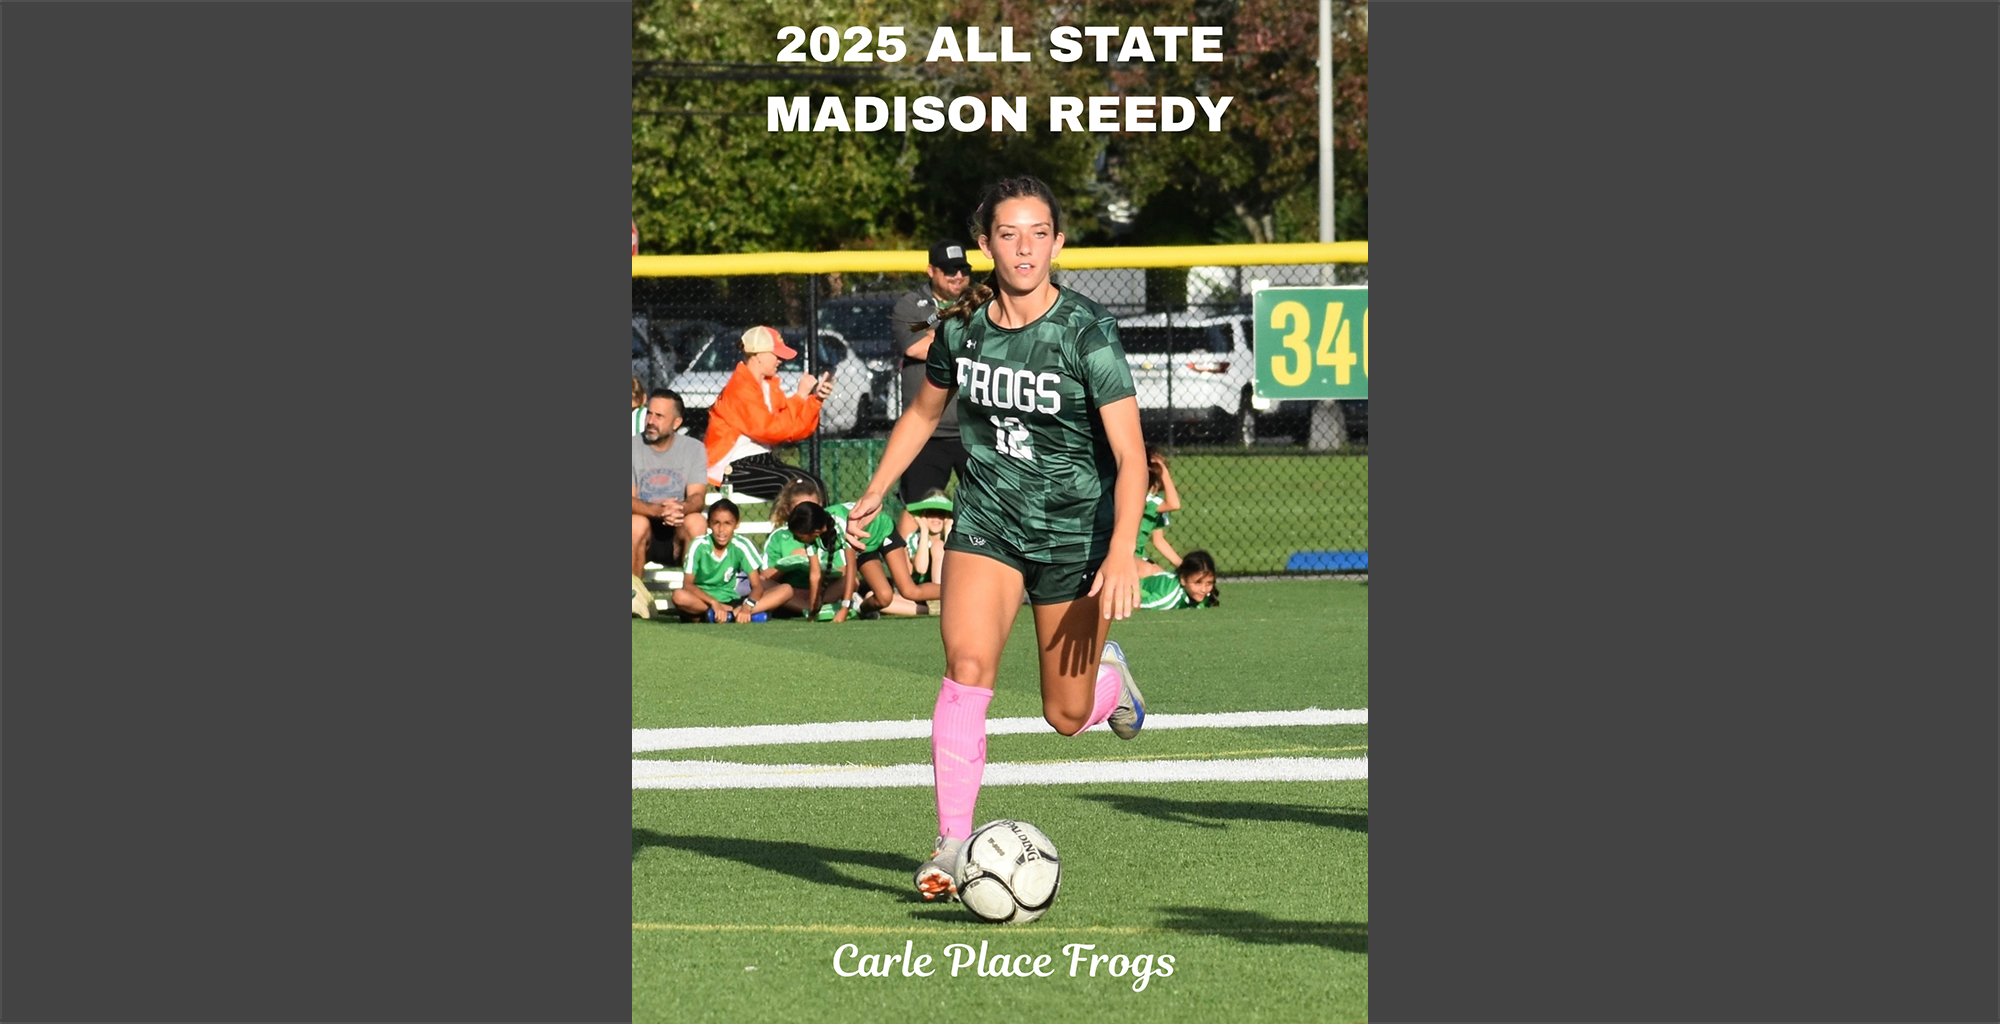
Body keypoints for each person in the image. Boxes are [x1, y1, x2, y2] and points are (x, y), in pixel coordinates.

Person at [841, 176, 1150, 902]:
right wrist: (879, 487)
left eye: (1039, 232)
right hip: (987, 523)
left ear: (1058, 242)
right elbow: (922, 414)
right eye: (1008, 233)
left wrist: (1122, 550)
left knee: (1066, 717)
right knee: (968, 663)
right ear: (985, 244)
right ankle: (952, 844)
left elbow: (1132, 457)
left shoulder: (1087, 333)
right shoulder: (961, 330)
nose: (1024, 247)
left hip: (1075, 539)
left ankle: (1109, 678)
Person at [888, 241, 975, 535]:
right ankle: (908, 579)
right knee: (917, 513)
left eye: (963, 269)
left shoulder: (980, 304)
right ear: (931, 271)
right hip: (926, 434)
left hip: (972, 430)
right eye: (950, 271)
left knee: (987, 507)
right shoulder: (912, 304)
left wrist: (935, 336)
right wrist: (967, 345)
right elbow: (915, 348)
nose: (958, 276)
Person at [702, 325, 834, 500]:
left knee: (814, 485)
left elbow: (793, 429)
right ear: (757, 355)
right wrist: (800, 396)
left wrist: (816, 400)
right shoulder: (740, 388)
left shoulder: (768, 386)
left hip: (762, 460)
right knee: (792, 487)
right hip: (731, 466)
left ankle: (821, 527)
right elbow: (769, 430)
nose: (780, 360)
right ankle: (800, 527)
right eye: (776, 355)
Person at [632, 388, 708, 574]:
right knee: (636, 524)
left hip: (677, 531)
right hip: (643, 532)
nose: (650, 421)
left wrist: (679, 509)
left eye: (659, 416)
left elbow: (697, 497)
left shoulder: (694, 448)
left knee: (697, 522)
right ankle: (633, 599)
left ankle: (691, 599)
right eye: (649, 413)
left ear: (676, 423)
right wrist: (660, 511)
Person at [671, 499, 770, 623]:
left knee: (785, 590)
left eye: (727, 523)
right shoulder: (698, 545)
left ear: (737, 524)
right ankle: (727, 613)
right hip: (702, 600)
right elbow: (688, 585)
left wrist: (747, 607)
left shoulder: (741, 545)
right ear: (708, 524)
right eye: (716, 523)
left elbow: (757, 586)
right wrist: (714, 603)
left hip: (731, 599)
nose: (721, 529)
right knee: (679, 596)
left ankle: (726, 615)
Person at [760, 500, 849, 622]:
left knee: (850, 581)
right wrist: (788, 563)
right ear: (788, 510)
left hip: (823, 593)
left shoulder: (830, 533)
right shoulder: (779, 536)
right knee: (760, 582)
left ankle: (816, 607)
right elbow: (765, 576)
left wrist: (822, 567)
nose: (805, 516)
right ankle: (814, 609)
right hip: (790, 593)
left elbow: (843, 570)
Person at [1135, 446, 1183, 577]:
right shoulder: (1142, 499)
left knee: (1162, 576)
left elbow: (1159, 541)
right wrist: (1164, 473)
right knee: (1156, 575)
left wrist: (1183, 565)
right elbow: (1175, 504)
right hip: (1125, 559)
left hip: (1137, 558)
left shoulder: (1156, 503)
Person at [1138, 550, 1220, 610]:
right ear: (1183, 580)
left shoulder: (1206, 597)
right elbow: (1137, 605)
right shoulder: (1167, 599)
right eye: (1198, 583)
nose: (1204, 589)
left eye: (1209, 583)